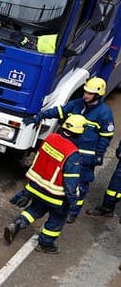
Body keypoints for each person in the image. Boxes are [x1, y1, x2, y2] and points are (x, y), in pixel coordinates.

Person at [4, 113, 85, 253]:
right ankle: (46, 244)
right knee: (57, 219)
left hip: (36, 187)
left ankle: (17, 224)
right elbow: (70, 184)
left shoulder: (50, 138)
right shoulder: (73, 153)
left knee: (35, 209)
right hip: (56, 196)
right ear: (79, 133)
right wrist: (73, 202)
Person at [40, 77, 114, 217]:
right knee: (63, 180)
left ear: (98, 95)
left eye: (90, 93)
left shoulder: (104, 113)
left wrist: (99, 154)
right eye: (85, 92)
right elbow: (60, 111)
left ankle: (73, 213)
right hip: (68, 152)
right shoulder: (77, 104)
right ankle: (58, 206)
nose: (86, 95)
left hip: (86, 157)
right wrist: (41, 115)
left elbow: (106, 136)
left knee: (81, 185)